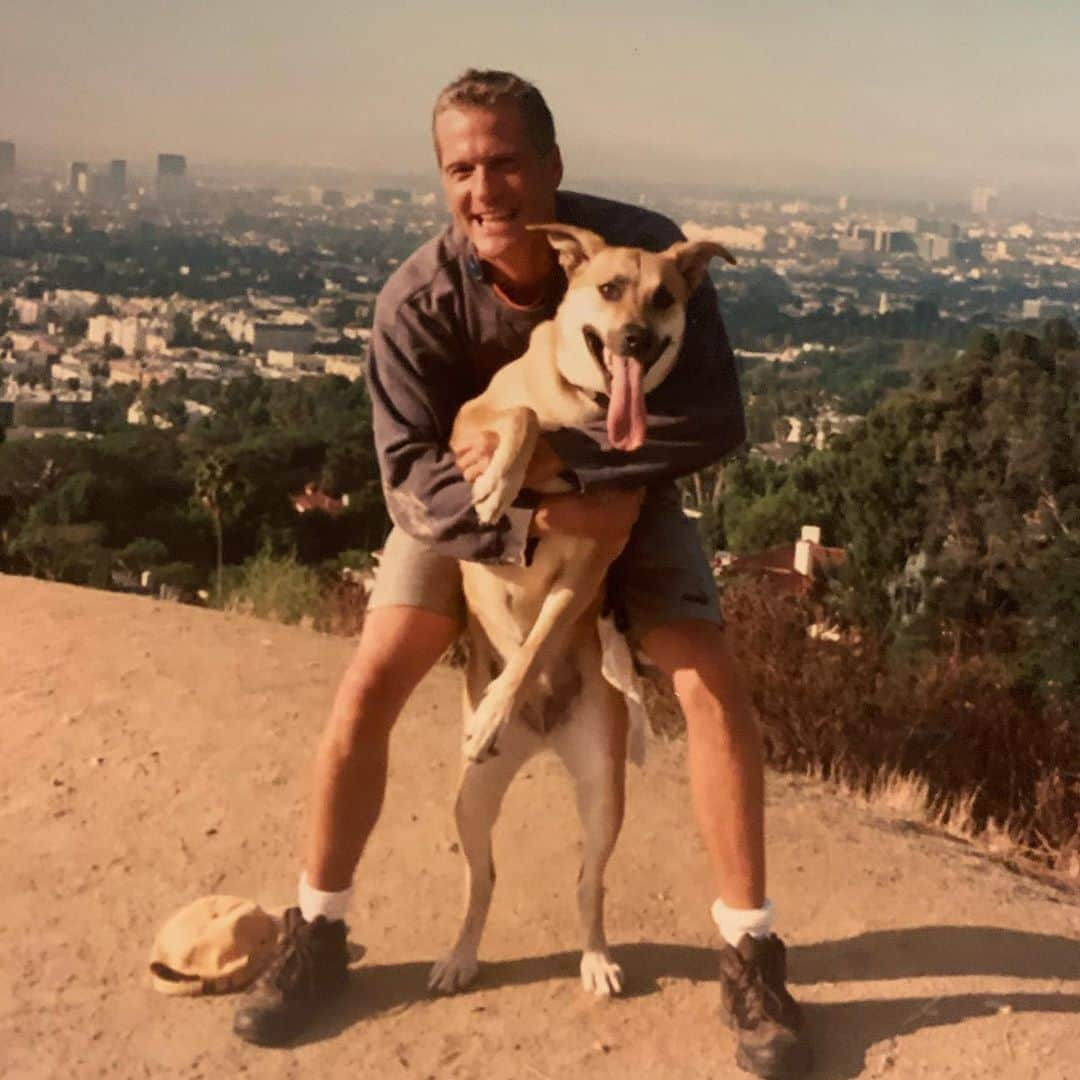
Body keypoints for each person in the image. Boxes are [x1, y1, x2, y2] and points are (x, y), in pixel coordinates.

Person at [233, 69, 811, 1078]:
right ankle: (316, 931)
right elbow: (411, 482)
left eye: (505, 161)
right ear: (442, 180)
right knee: (370, 681)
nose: (485, 187)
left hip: (624, 489)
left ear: (551, 165)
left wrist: (579, 480)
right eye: (461, 168)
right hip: (470, 506)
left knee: (708, 681)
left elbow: (715, 418)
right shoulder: (417, 300)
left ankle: (751, 949)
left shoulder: (641, 253)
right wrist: (534, 514)